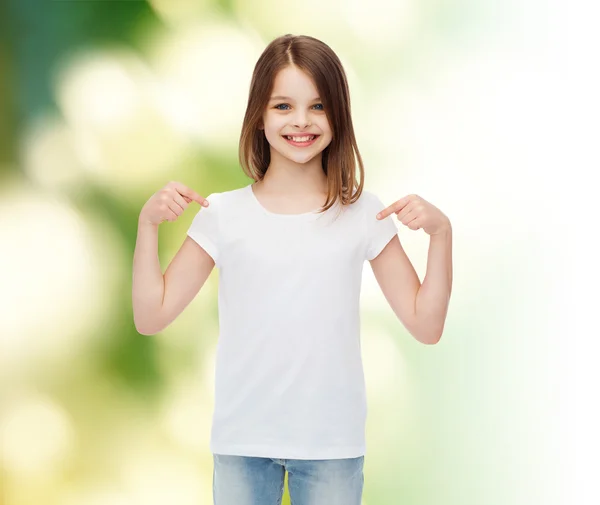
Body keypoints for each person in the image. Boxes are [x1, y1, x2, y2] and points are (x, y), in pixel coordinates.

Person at [132, 33, 453, 505]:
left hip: (332, 445)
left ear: (338, 116)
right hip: (243, 441)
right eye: (283, 106)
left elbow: (426, 326)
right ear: (259, 116)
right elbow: (151, 316)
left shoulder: (364, 213)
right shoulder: (223, 215)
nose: (301, 121)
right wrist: (148, 226)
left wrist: (441, 235)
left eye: (318, 106)